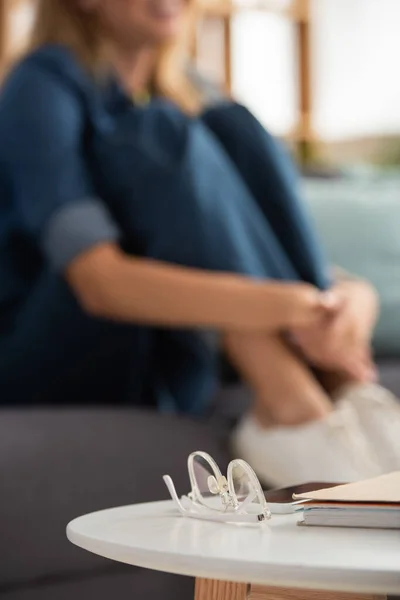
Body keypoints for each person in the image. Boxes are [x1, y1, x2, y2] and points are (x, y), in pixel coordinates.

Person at [0, 0, 398, 486]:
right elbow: (98, 282)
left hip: (169, 352)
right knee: (159, 131)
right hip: (52, 352)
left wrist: (345, 298)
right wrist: (289, 308)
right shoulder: (41, 85)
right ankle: (289, 403)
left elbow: (240, 238)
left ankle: (339, 382)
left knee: (236, 127)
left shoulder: (189, 90)